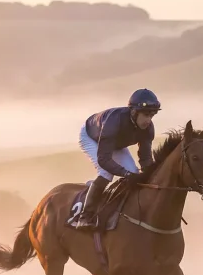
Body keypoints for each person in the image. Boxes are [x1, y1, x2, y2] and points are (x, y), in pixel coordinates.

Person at [68, 88, 161, 229]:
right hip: (92, 137)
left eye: (152, 115)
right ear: (134, 112)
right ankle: (85, 217)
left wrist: (152, 175)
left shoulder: (148, 129)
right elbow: (104, 160)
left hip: (116, 143)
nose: (148, 120)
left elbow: (145, 159)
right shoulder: (114, 122)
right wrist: (125, 173)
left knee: (134, 173)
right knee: (106, 173)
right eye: (146, 115)